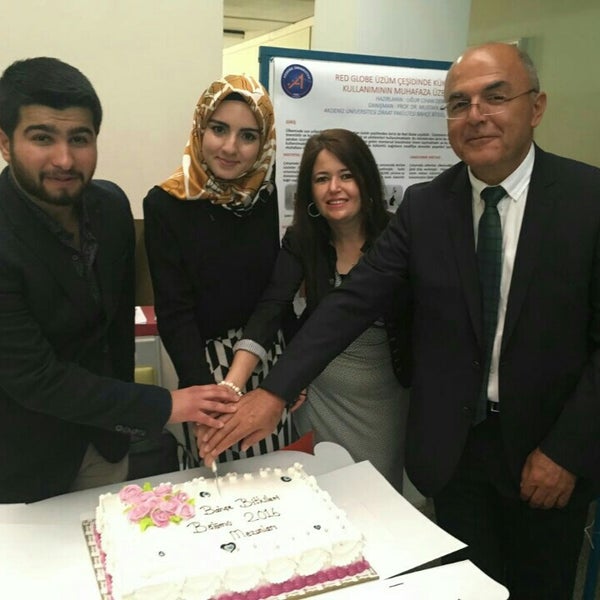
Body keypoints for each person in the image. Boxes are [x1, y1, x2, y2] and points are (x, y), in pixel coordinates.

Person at [200, 43, 600, 599]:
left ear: (536, 107)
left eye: (495, 97)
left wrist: (567, 451)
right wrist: (274, 391)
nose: (476, 115)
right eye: (458, 104)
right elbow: (351, 302)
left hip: (548, 451)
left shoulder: (588, 199)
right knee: (464, 588)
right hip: (455, 454)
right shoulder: (427, 207)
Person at [0, 57, 238, 504]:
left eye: (79, 138)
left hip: (107, 441)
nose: (64, 159)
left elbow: (116, 331)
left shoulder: (110, 206)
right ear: (5, 143)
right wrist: (167, 405)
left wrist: (123, 426)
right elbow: (35, 377)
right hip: (22, 458)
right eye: (42, 138)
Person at [220, 129, 410, 490]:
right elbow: (271, 307)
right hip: (319, 394)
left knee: (378, 494)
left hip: (383, 399)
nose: (334, 188)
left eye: (346, 175)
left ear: (366, 179)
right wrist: (233, 385)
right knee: (323, 493)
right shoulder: (302, 239)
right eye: (321, 179)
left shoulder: (397, 235)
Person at [143, 74, 294, 464]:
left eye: (248, 136)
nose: (230, 147)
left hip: (269, 355)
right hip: (204, 365)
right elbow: (175, 311)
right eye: (219, 129)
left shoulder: (268, 197)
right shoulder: (166, 203)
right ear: (200, 128)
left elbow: (277, 291)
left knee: (275, 474)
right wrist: (206, 398)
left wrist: (292, 374)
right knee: (217, 476)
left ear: (264, 142)